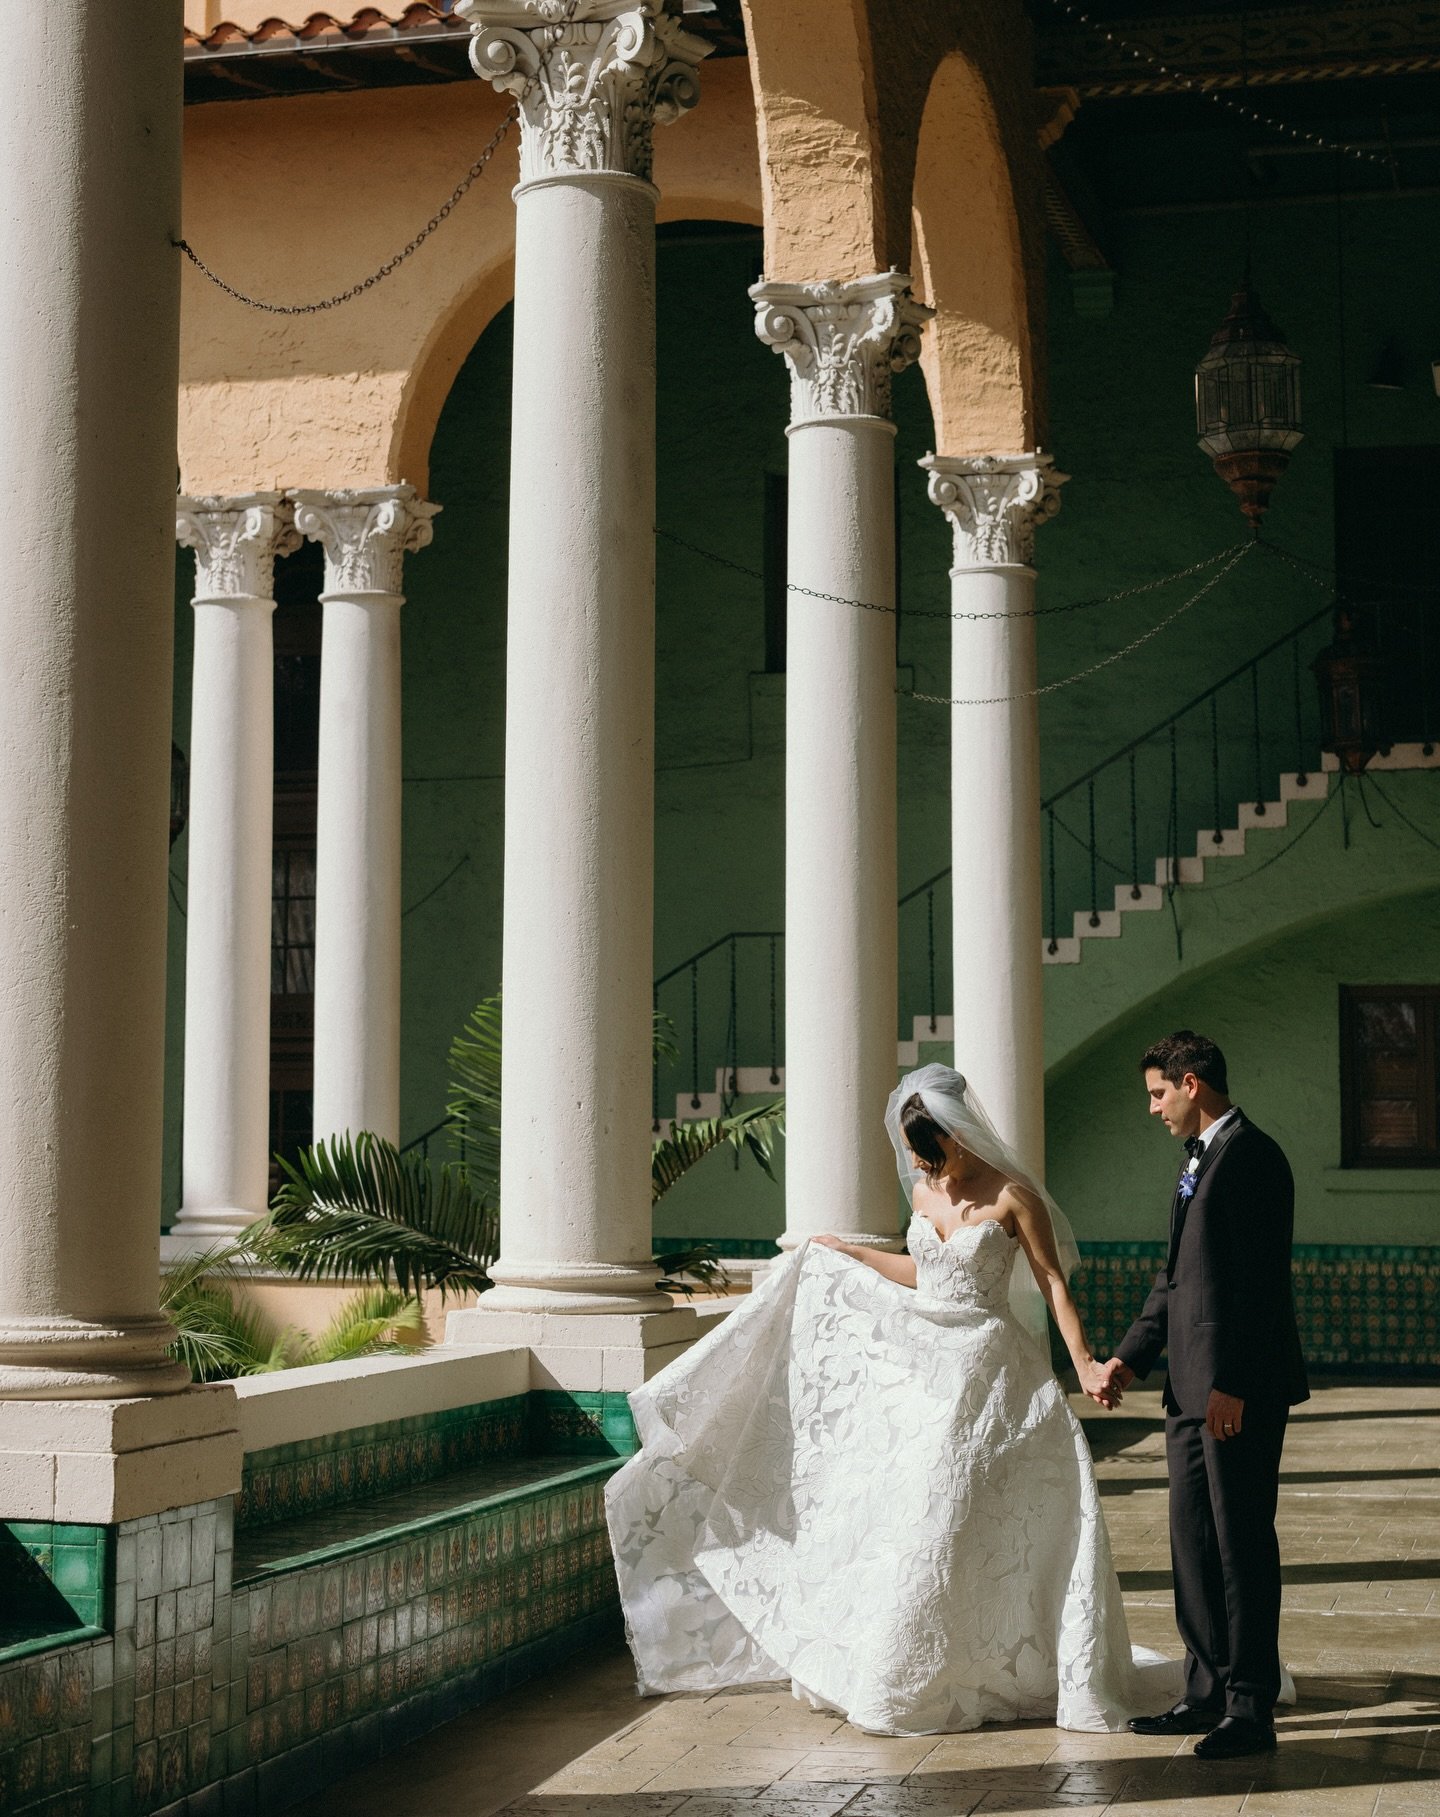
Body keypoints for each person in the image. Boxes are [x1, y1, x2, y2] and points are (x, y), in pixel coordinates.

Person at [604, 1062, 1184, 1735]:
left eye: (926, 1149)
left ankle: (993, 1660)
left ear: (956, 1134)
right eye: (914, 1153)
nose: (919, 1163)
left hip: (992, 1372)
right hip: (927, 1368)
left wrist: (1083, 1361)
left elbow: (1052, 1282)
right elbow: (922, 1269)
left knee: (967, 1512)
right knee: (918, 1514)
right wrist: (848, 1252)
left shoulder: (1011, 1195)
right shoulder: (922, 1191)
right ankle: (926, 1664)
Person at [1100, 1030, 1308, 1761]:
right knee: (1193, 1542)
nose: (1153, 1108)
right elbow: (1176, 1282)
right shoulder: (1198, 1161)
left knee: (1241, 1542)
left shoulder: (1252, 1156)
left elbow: (1257, 1284)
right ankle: (1206, 1692)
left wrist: (1235, 1385)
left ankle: (1250, 1708)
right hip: (1186, 1391)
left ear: (1192, 1084)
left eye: (1159, 1093)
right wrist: (1129, 1359)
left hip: (1232, 1391)